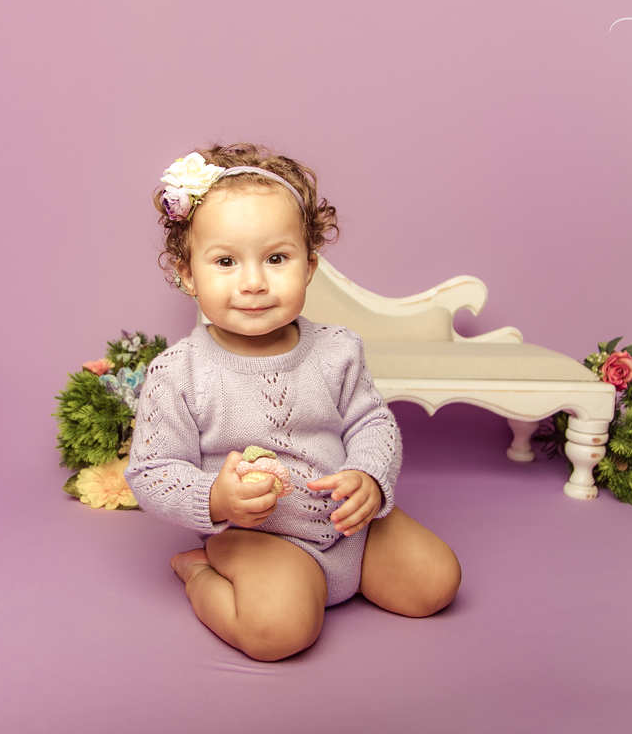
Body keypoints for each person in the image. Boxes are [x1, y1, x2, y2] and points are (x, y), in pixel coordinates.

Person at [125, 143, 461, 661]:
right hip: (260, 536)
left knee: (437, 582)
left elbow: (372, 422)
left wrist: (369, 476)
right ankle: (199, 572)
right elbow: (152, 470)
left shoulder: (336, 348)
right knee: (278, 632)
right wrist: (215, 498)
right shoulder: (178, 372)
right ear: (188, 274)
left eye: (277, 258)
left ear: (309, 266)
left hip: (350, 525)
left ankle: (342, 572)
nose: (254, 282)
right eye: (226, 261)